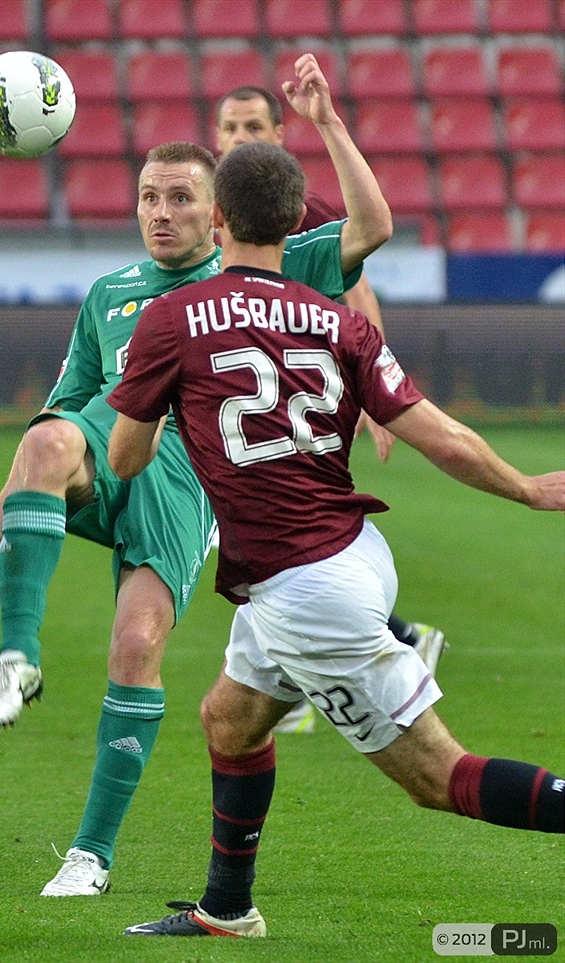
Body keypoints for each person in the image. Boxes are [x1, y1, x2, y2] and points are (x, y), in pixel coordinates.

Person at [0, 53, 392, 897]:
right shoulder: (109, 293)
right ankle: (18, 657)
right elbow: (60, 409)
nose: (161, 213)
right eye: (149, 198)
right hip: (104, 446)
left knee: (136, 646)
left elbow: (370, 227)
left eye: (181, 198)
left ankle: (91, 853)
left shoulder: (256, 271)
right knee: (47, 442)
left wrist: (328, 124)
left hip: (182, 478)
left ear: (217, 213)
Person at [106, 141, 565, 938]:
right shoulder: (340, 320)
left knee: (438, 775)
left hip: (305, 589)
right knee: (231, 717)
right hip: (353, 552)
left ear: (218, 218)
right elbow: (442, 436)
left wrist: (166, 407)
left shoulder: (172, 319)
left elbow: (124, 458)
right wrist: (526, 487)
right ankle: (228, 908)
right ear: (295, 221)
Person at [215, 84, 446, 734]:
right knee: (260, 533)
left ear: (279, 134)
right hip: (240, 397)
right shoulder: (213, 207)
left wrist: (375, 390)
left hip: (293, 400)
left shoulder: (300, 212)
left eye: (253, 125)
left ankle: (365, 652)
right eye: (230, 127)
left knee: (274, 528)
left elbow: (357, 290)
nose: (240, 137)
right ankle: (346, 654)